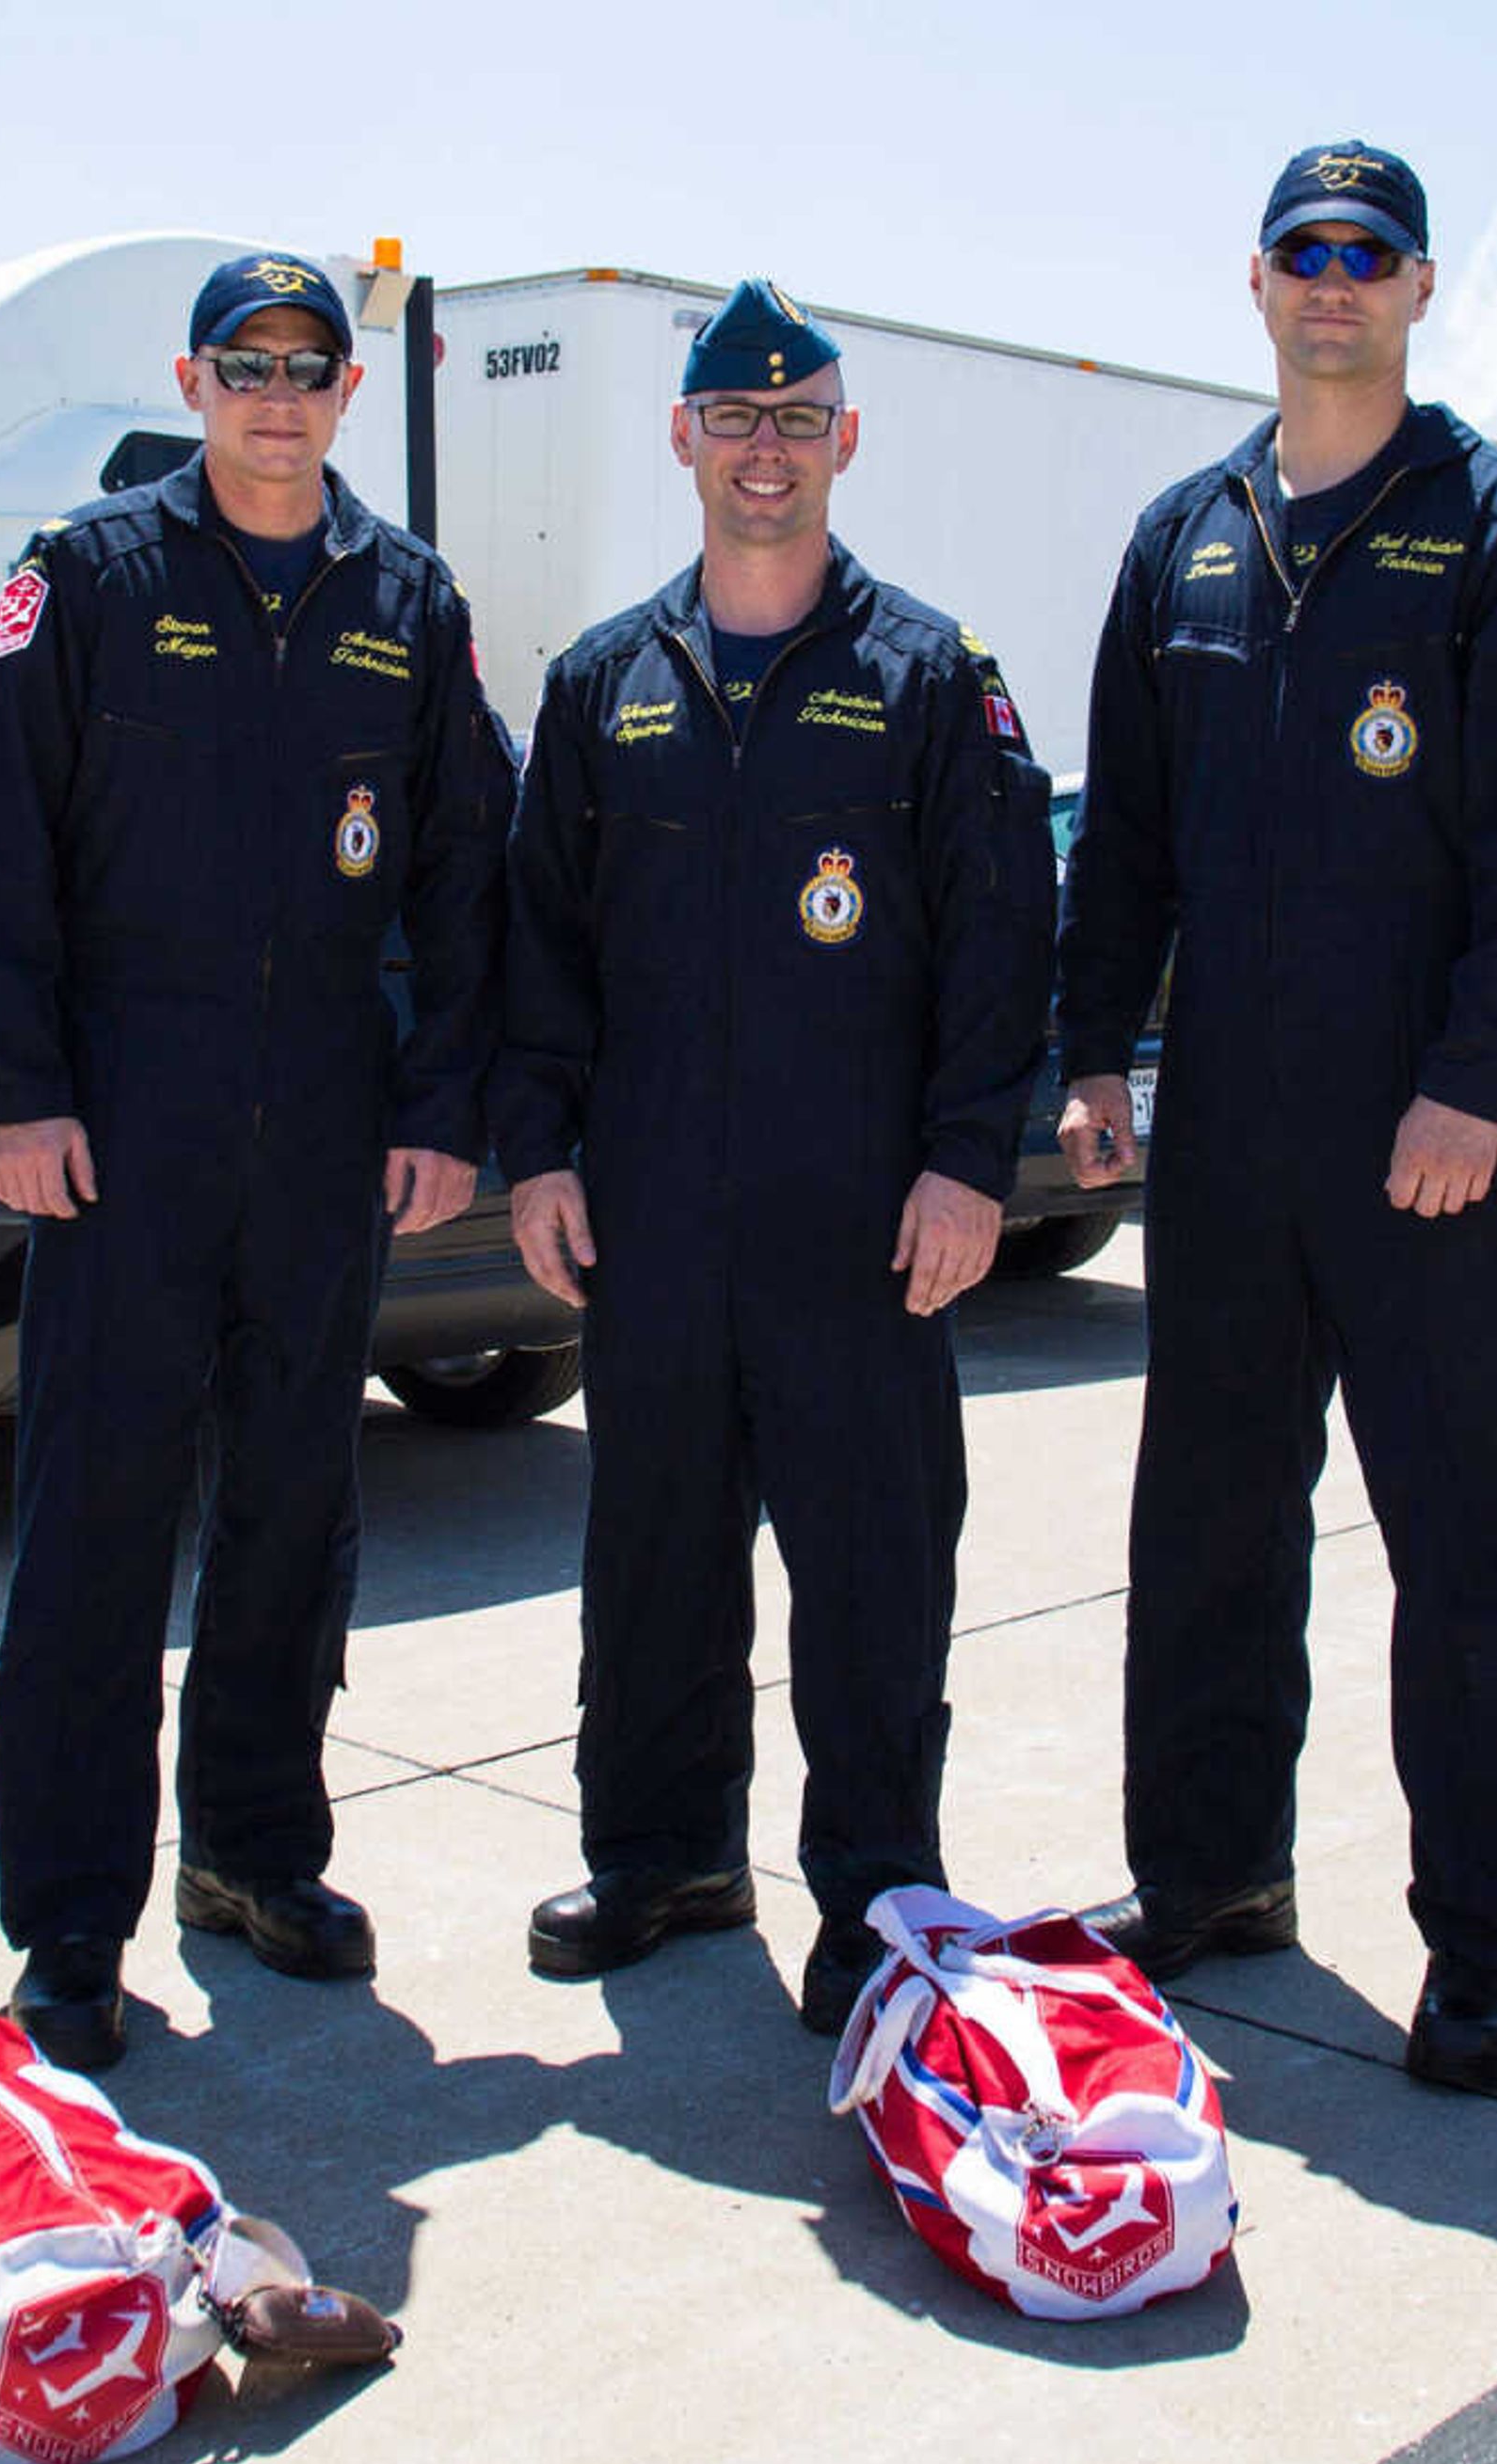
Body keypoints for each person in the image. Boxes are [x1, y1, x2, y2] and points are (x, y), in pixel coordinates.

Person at [1054, 142, 1497, 2092]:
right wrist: (1092, 1054)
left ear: (1420, 287)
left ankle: (1484, 1949)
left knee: (1472, 1545)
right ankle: (1211, 1875)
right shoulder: (1183, 537)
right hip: (1227, 1118)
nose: (1333, 283)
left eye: (1366, 254)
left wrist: (1478, 1079)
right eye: (1304, 252)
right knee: (1209, 1523)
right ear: (1259, 282)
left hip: (1425, 1137)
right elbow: (1124, 839)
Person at [0, 250, 511, 2072]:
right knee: (97, 1528)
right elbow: (3, 849)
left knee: (293, 1511)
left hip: (324, 1138)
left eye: (310, 366)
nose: (279, 394)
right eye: (246, 364)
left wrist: (441, 1109)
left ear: (348, 392)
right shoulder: (92, 581)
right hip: (121, 1133)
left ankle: (256, 1856)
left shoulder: (405, 601)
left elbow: (463, 877)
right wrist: (17, 1090)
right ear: (192, 383)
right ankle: (69, 1921)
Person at [497, 278, 1056, 2037]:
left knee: (872, 1573)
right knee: (652, 1556)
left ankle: (876, 1890)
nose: (763, 450)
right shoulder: (606, 686)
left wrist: (972, 1163)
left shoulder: (931, 676)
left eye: (796, 419)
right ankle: (664, 1856)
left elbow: (1000, 942)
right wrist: (539, 1152)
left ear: (846, 440)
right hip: (657, 1219)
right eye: (732, 420)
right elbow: (542, 950)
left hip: (865, 1228)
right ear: (682, 437)